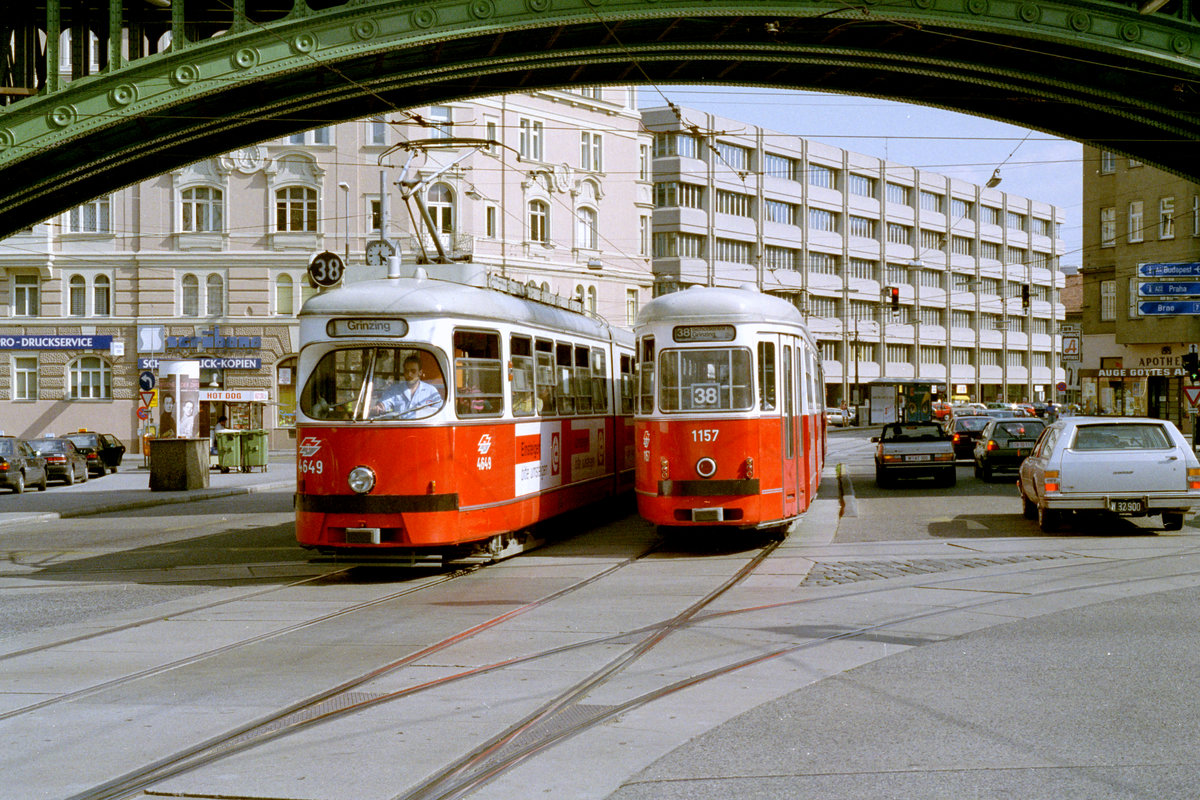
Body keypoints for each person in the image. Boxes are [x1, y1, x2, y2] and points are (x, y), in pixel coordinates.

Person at [373, 355, 442, 419]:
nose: (409, 374)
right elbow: (383, 404)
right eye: (406, 371)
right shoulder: (394, 390)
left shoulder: (431, 391)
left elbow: (440, 412)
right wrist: (378, 408)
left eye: (413, 371)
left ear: (420, 372)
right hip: (400, 429)